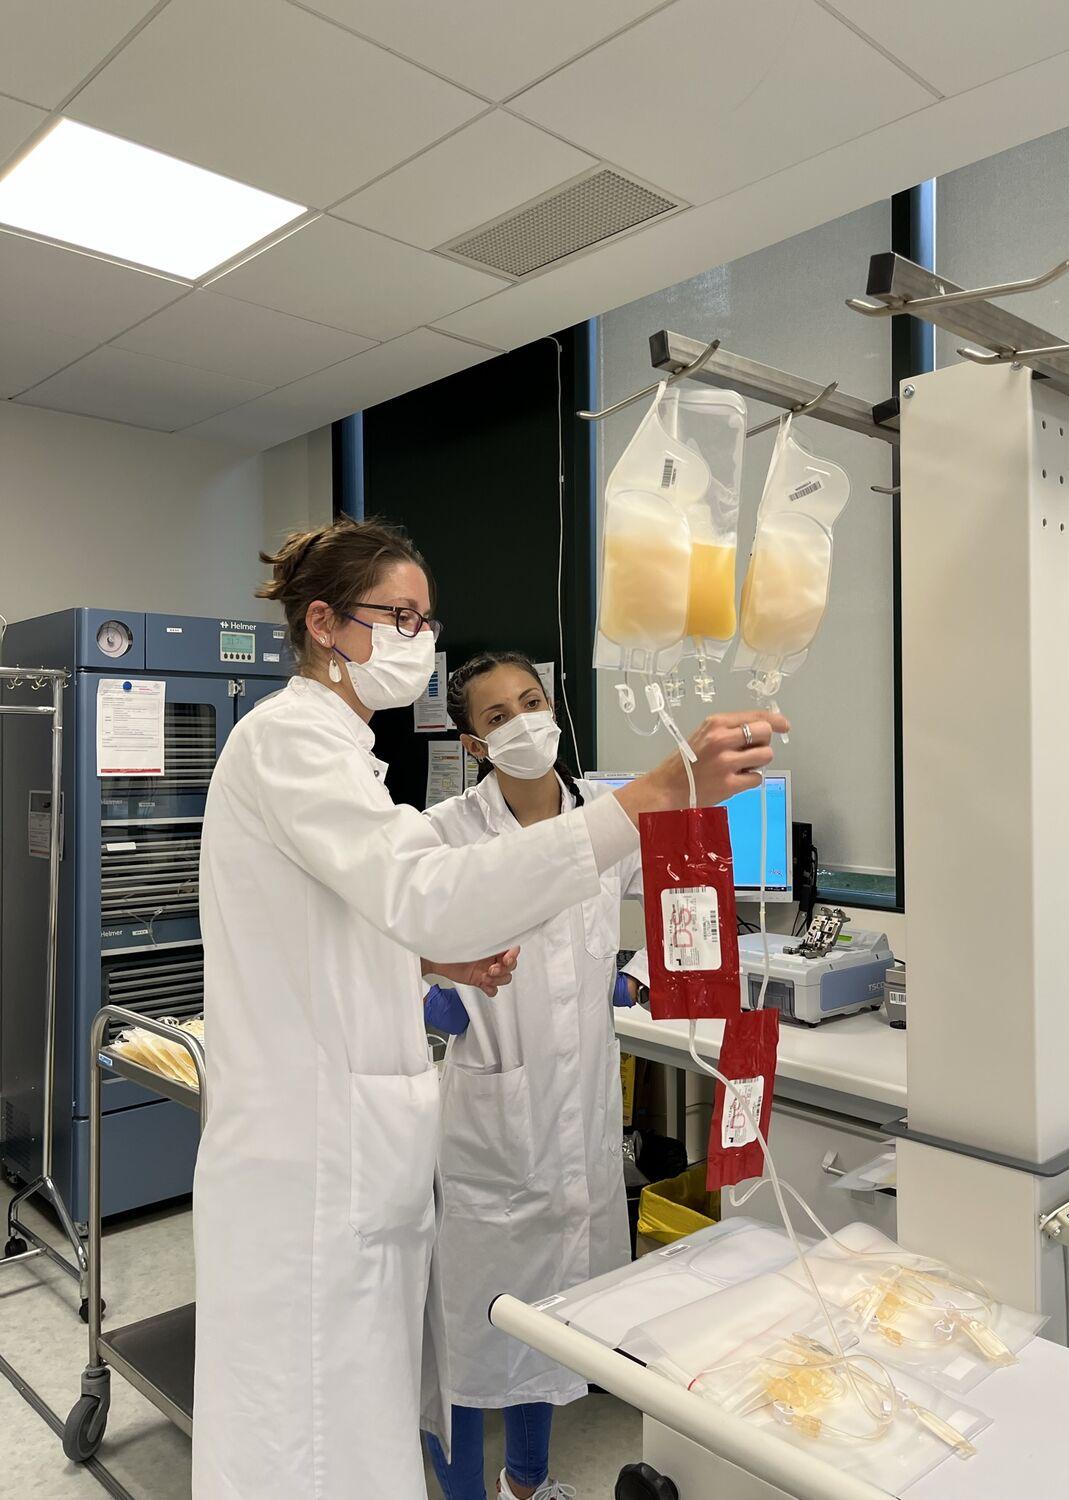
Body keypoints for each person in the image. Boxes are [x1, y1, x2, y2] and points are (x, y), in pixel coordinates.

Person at [192, 515, 787, 1500]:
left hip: (371, 1152)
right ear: (325, 624)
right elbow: (426, 887)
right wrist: (653, 793)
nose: (419, 638)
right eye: (399, 616)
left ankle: (524, 1479)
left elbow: (343, 913)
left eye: (426, 620)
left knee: (361, 1414)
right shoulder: (292, 743)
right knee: (316, 1437)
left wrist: (425, 954)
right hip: (318, 1166)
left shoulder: (335, 752)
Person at [422, 652, 643, 1500]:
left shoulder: (605, 825)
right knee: (471, 1327)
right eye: (497, 716)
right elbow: (385, 944)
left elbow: (673, 903)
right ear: (475, 745)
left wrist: (637, 976)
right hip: (492, 1116)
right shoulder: (445, 833)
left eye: (531, 701)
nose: (523, 723)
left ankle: (528, 1482)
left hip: (577, 1112)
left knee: (552, 1319)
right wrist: (433, 991)